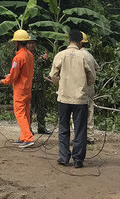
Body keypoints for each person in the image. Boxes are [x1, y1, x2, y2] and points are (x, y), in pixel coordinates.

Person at [49, 30, 96, 168]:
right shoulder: (85, 56)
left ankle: (64, 157)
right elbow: (92, 78)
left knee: (64, 128)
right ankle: (78, 159)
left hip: (63, 98)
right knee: (80, 129)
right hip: (80, 99)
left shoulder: (60, 55)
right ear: (81, 41)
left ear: (68, 40)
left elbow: (53, 75)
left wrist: (60, 84)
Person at [0, 30, 35, 148]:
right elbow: (22, 73)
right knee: (25, 113)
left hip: (20, 89)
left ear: (17, 42)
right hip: (27, 88)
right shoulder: (30, 55)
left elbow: (14, 76)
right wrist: (10, 76)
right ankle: (23, 137)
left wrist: (5, 81)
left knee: (19, 113)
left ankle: (28, 138)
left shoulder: (18, 57)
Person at [26, 39, 53, 134]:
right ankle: (27, 128)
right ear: (26, 44)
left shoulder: (39, 54)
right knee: (29, 108)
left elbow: (46, 66)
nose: (32, 45)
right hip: (29, 86)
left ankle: (41, 127)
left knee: (41, 108)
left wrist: (46, 59)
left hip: (40, 85)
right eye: (30, 43)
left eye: (33, 43)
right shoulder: (24, 54)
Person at [80, 33, 100, 143]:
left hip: (80, 87)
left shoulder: (78, 55)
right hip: (90, 87)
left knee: (77, 113)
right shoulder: (89, 55)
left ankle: (80, 136)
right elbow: (97, 68)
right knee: (90, 111)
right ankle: (90, 136)